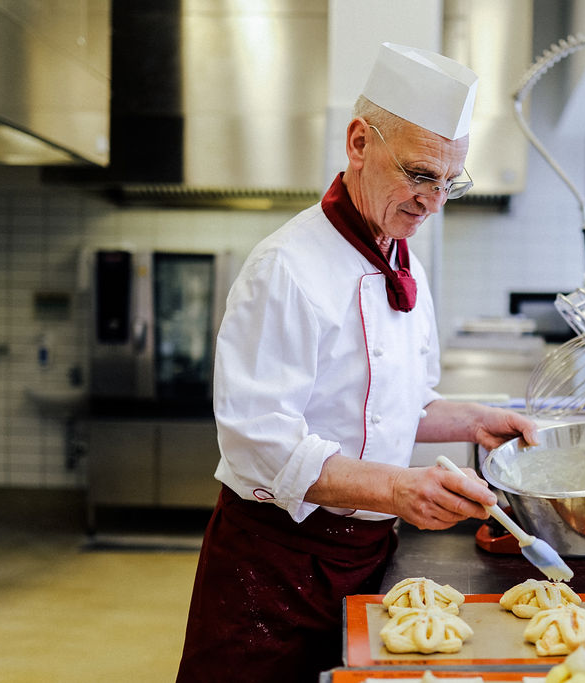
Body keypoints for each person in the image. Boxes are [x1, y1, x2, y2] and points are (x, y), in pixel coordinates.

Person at [176, 42, 537, 683]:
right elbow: (259, 442)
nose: (434, 202)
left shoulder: (405, 262)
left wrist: (476, 419)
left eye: (450, 182)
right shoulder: (287, 267)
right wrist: (400, 489)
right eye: (421, 175)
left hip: (369, 556)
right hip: (274, 566)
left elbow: (396, 405)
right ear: (358, 142)